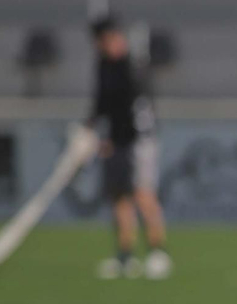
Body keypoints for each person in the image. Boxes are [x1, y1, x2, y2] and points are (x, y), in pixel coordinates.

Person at [88, 16, 171, 280]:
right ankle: (125, 256)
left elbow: (133, 110)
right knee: (120, 196)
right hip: (116, 140)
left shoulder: (132, 66)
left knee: (143, 194)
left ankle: (158, 252)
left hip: (139, 141)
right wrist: (92, 130)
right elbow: (102, 102)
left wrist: (112, 137)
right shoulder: (104, 65)